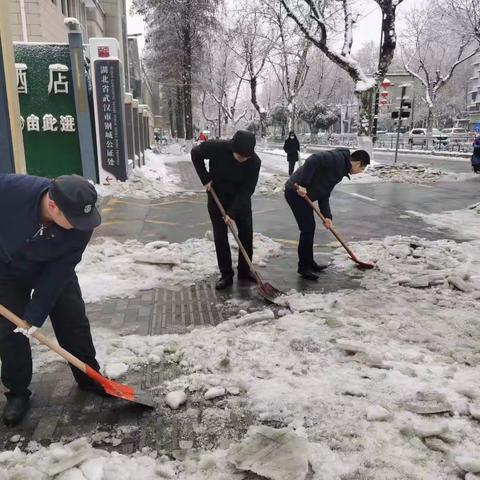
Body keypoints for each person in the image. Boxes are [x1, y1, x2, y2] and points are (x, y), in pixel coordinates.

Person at [0, 174, 103, 426]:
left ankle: (90, 377)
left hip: (53, 267)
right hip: (8, 269)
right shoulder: (10, 190)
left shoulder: (82, 224)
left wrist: (34, 316)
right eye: (75, 220)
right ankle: (17, 393)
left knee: (73, 320)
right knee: (9, 332)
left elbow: (58, 273)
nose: (82, 225)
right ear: (53, 206)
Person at [284, 149, 370, 280]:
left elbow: (324, 193)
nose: (360, 172)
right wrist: (303, 184)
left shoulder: (341, 170)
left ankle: (309, 263)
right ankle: (303, 267)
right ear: (357, 163)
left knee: (309, 229)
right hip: (295, 191)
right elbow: (313, 160)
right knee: (307, 229)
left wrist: (327, 216)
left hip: (304, 195)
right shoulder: (337, 158)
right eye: (362, 169)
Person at [191, 130, 261, 290]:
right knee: (220, 236)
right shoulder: (217, 147)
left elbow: (247, 189)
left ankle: (244, 271)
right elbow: (195, 153)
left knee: (246, 233)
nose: (242, 159)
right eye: (239, 155)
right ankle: (226, 274)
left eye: (246, 157)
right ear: (233, 148)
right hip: (217, 196)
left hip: (240, 199)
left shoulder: (254, 162)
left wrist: (232, 213)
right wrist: (205, 178)